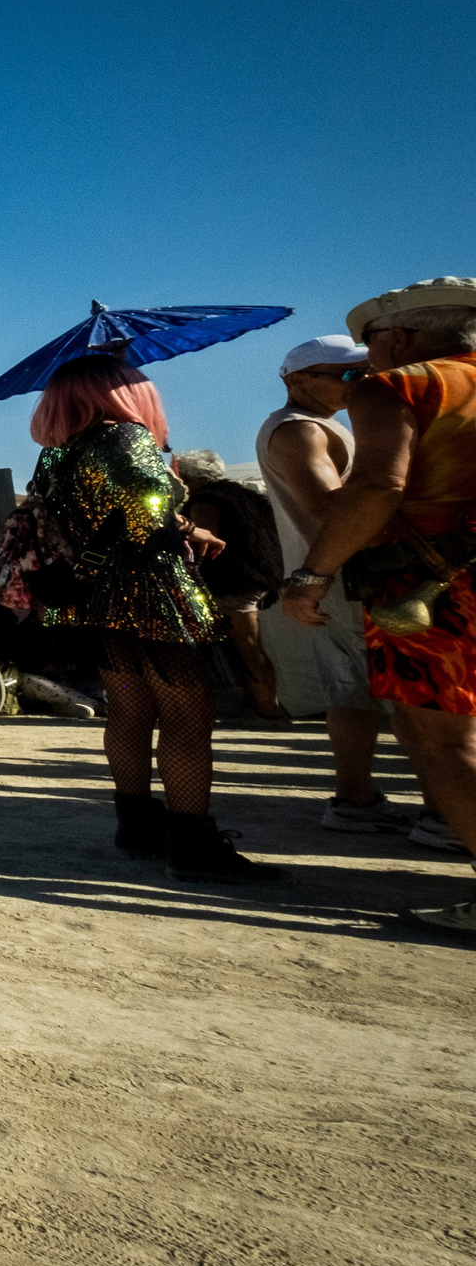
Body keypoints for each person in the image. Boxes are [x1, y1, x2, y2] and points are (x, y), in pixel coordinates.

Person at [28, 357, 280, 882]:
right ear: (123, 393)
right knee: (188, 716)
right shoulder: (126, 438)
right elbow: (146, 511)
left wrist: (176, 516)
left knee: (127, 708)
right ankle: (192, 844)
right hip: (150, 588)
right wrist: (183, 516)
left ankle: (137, 825)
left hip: (95, 595)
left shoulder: (55, 455)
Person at [281, 278, 476, 939]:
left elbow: (377, 485)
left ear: (397, 338)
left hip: (436, 591)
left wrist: (312, 573)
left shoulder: (402, 387)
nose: (362, 369)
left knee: (441, 739)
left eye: (365, 353)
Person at [254, 335, 433, 840]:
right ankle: (440, 812)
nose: (363, 384)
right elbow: (329, 508)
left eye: (367, 374)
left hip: (334, 576)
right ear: (298, 381)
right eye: (349, 375)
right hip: (347, 576)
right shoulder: (300, 430)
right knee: (409, 697)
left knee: (352, 693)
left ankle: (356, 802)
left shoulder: (317, 426)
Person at [172, 450, 286, 718]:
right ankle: (256, 702)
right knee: (246, 646)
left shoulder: (206, 501)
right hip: (255, 577)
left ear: (186, 476)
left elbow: (202, 542)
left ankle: (269, 711)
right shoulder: (245, 496)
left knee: (247, 647)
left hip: (230, 581)